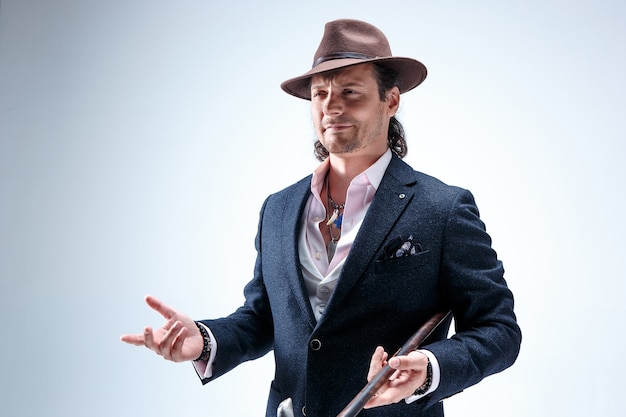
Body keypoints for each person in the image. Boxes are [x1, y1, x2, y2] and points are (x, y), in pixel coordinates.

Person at [120, 18, 521, 417]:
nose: (331, 106)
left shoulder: (443, 208)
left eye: (350, 91)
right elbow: (263, 319)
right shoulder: (277, 209)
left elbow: (498, 330)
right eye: (320, 94)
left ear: (391, 100)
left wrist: (431, 369)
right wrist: (206, 341)